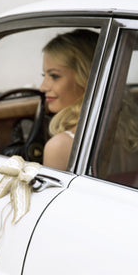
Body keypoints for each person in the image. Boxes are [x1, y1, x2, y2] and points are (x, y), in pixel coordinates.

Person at [40, 29, 98, 170]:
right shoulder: (129, 133)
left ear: (85, 77)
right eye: (44, 76)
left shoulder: (60, 146)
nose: (42, 87)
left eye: (54, 76)